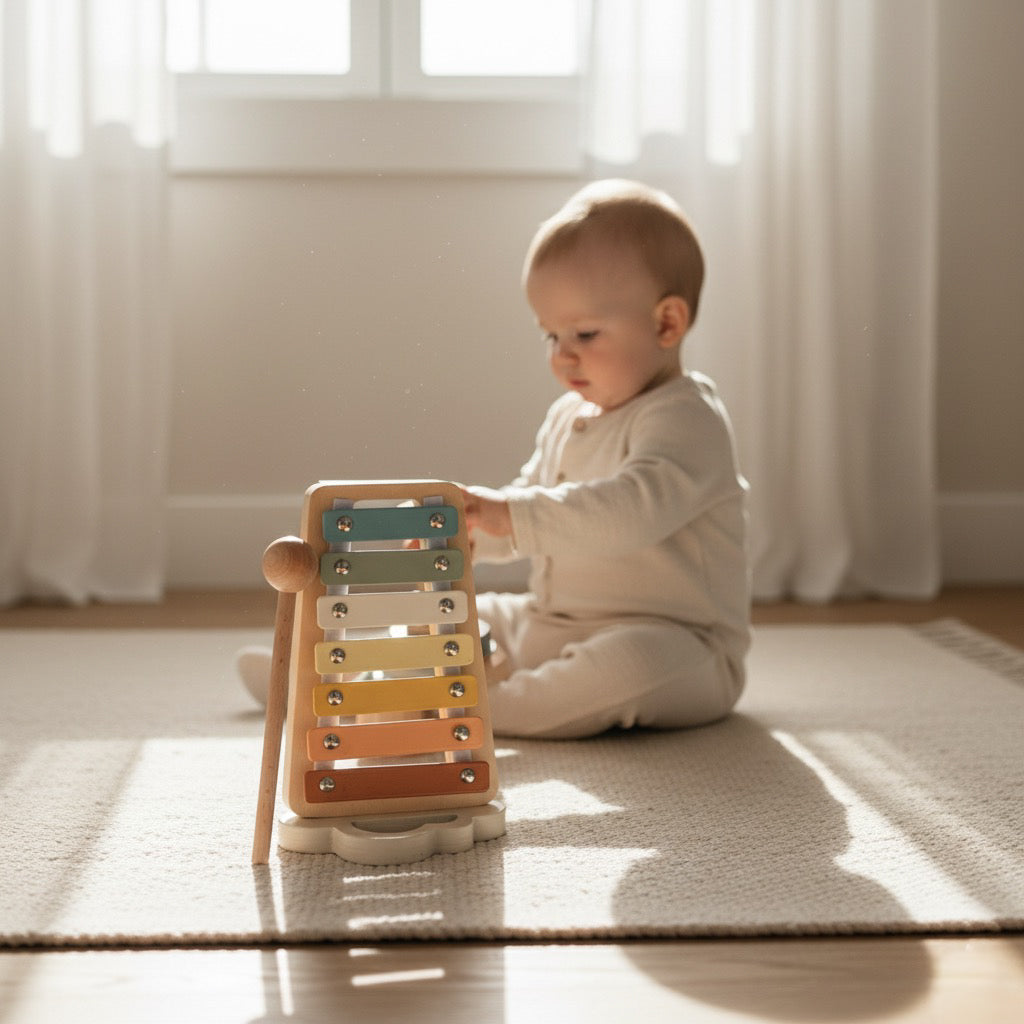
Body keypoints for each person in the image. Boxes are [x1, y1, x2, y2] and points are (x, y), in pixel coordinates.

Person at [461, 178, 750, 738]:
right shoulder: (568, 416)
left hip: (677, 644)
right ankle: (350, 676)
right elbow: (534, 496)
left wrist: (511, 514)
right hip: (551, 623)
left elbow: (628, 514)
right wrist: (472, 531)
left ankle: (487, 709)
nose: (562, 356)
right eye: (550, 336)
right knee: (470, 613)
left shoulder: (686, 418)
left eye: (585, 334)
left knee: (627, 667)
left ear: (667, 323)